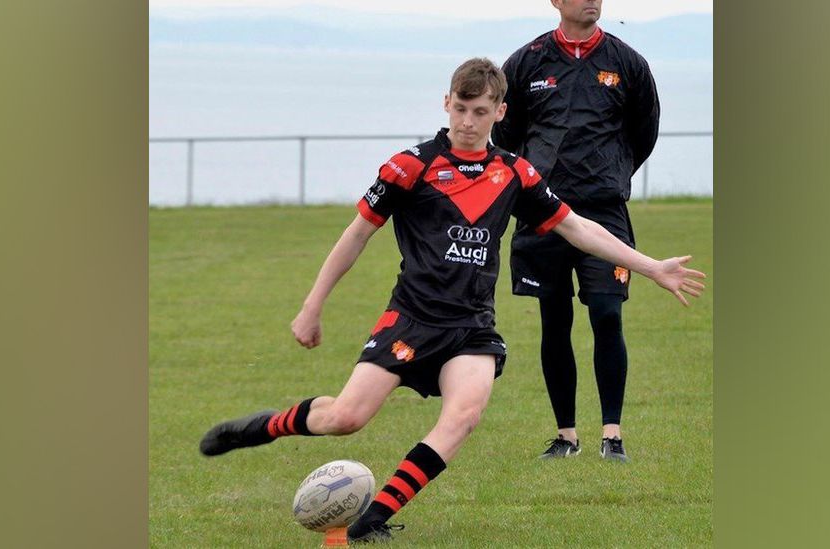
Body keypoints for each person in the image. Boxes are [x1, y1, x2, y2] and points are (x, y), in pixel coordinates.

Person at [199, 58, 702, 544]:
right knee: (345, 419)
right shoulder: (409, 167)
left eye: (480, 111)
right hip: (411, 318)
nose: (468, 120)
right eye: (461, 108)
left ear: (500, 112)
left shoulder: (515, 174)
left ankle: (372, 520)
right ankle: (265, 426)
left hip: (471, 328)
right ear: (446, 103)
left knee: (463, 416)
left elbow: (577, 227)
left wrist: (650, 266)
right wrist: (312, 306)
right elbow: (354, 237)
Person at [491, 0, 661, 462]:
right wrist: (539, 174)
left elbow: (644, 131)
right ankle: (566, 435)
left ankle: (613, 435)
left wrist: (612, 171)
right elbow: (505, 133)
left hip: (604, 210)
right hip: (544, 211)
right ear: (556, 2)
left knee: (607, 313)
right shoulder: (527, 61)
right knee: (555, 319)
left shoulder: (627, 62)